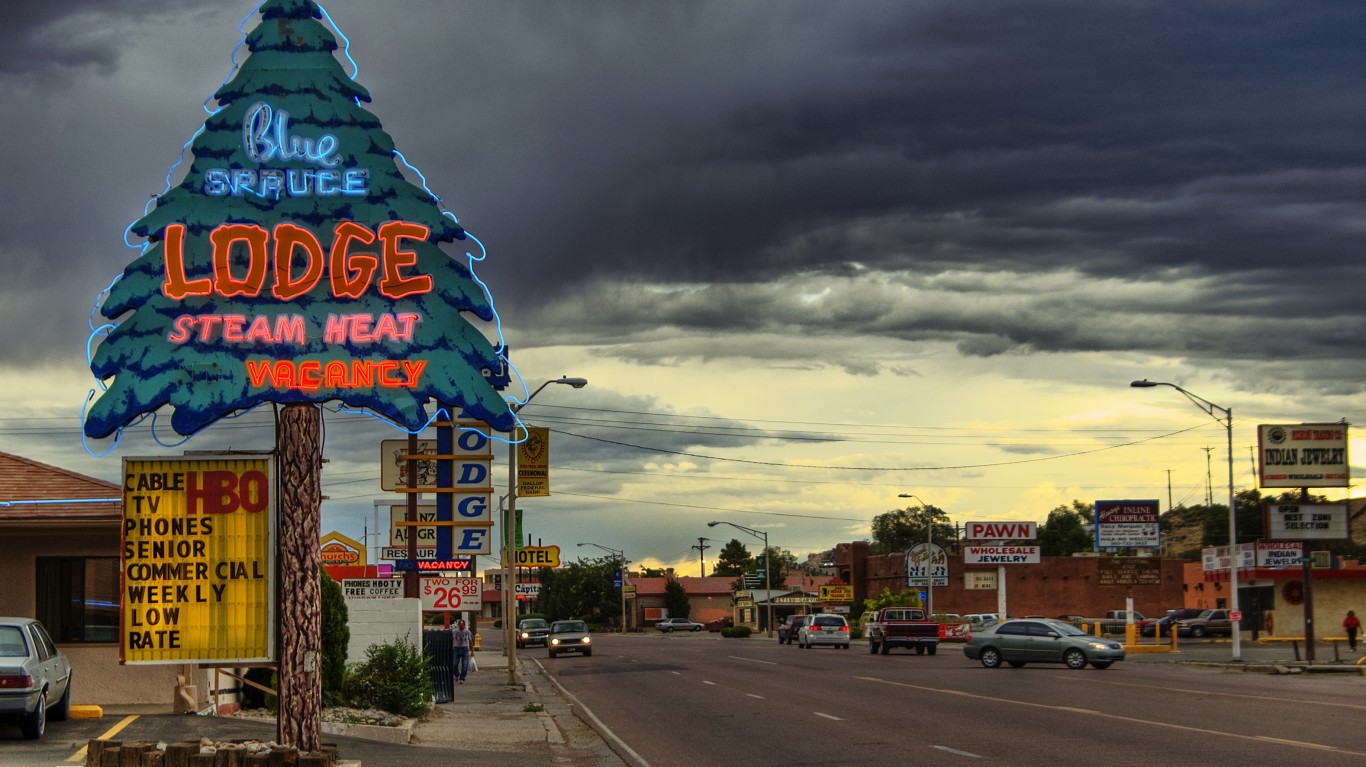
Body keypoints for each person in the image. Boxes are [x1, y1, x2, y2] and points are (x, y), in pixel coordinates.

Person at [451, 619, 473, 684]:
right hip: (456, 648)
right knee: (454, 664)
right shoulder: (454, 631)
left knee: (465, 664)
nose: (461, 627)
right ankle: (457, 674)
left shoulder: (467, 631)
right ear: (458, 625)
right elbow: (451, 639)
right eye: (460, 626)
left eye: (462, 626)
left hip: (464, 649)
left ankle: (462, 677)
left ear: (464, 625)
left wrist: (472, 650)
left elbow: (470, 640)